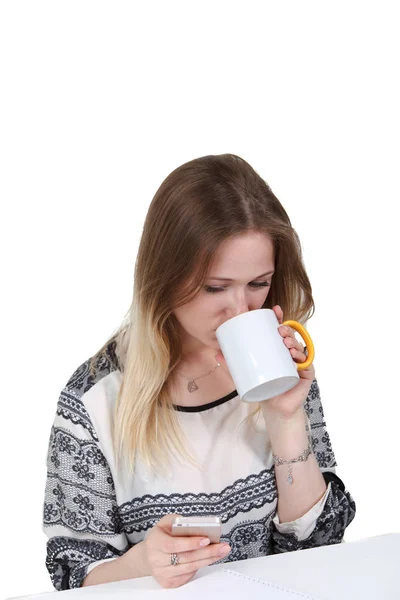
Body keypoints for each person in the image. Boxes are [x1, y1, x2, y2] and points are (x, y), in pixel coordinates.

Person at [43, 154, 356, 591]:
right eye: (215, 287)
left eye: (258, 284)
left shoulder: (281, 365)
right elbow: (74, 574)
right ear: (165, 278)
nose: (241, 310)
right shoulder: (94, 399)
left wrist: (286, 419)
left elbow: (322, 544)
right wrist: (143, 564)